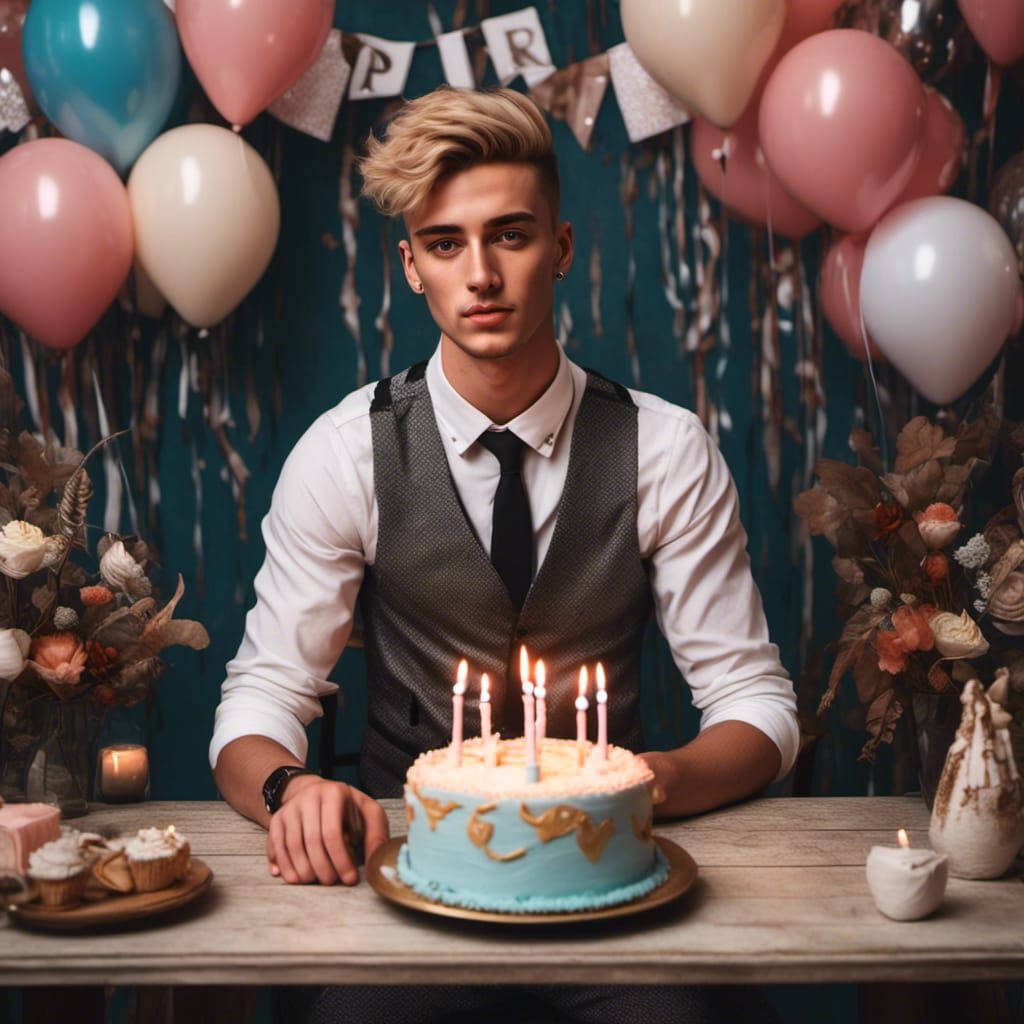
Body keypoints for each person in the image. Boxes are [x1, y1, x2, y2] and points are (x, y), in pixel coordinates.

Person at [210, 86, 796, 1024]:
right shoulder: (344, 452)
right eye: (446, 244)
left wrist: (653, 782)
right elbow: (261, 698)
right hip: (408, 893)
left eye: (511, 235)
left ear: (561, 248)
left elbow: (757, 706)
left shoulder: (666, 448)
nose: (480, 273)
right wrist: (293, 786)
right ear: (411, 267)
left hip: (617, 891)